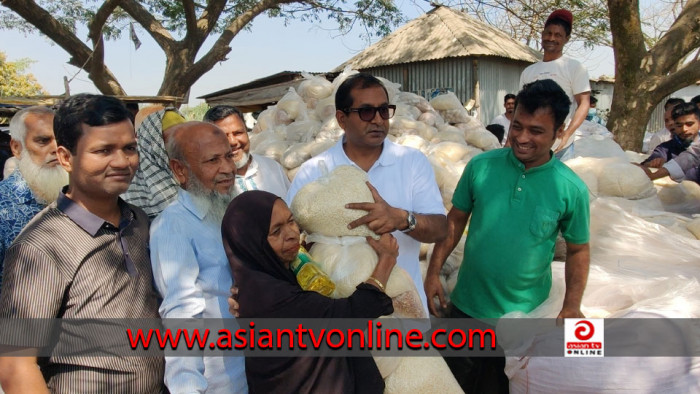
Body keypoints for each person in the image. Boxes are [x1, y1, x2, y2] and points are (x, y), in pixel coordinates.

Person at [425, 79, 590, 393]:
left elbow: (579, 250)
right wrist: (433, 272)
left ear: (559, 130)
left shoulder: (571, 189)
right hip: (466, 311)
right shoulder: (481, 167)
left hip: (525, 322)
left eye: (536, 131)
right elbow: (455, 221)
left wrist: (571, 305)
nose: (522, 138)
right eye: (518, 126)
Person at [0, 94, 164, 392]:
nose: (121, 162)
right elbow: (16, 363)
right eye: (103, 150)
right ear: (65, 158)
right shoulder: (41, 247)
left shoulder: (137, 221)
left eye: (129, 148)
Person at [286, 73, 447, 316]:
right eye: (366, 112)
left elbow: (440, 228)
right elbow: (289, 239)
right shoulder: (315, 171)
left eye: (384, 110)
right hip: (341, 317)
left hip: (403, 311)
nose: (378, 120)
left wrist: (402, 219)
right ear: (341, 118)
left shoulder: (412, 162)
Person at [222, 190, 395, 394]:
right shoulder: (270, 297)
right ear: (253, 243)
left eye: (291, 221)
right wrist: (386, 259)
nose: (292, 233)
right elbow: (351, 314)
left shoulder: (264, 277)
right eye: (276, 231)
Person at [150, 121, 246, 393]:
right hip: (221, 382)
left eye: (228, 156)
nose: (228, 168)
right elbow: (180, 317)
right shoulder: (173, 227)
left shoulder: (232, 209)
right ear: (180, 170)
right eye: (213, 160)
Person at [0, 106, 68, 274]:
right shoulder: (4, 207)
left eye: (61, 140)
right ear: (16, 148)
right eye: (43, 141)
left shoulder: (82, 198)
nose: (56, 149)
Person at [519, 9, 591, 161]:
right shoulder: (529, 71)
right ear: (542, 34)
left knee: (558, 184)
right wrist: (509, 141)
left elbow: (584, 103)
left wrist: (567, 134)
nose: (551, 38)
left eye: (558, 35)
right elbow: (521, 108)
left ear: (567, 39)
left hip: (560, 148)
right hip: (533, 146)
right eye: (548, 33)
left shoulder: (574, 67)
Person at [204, 105, 290, 197]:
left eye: (238, 133)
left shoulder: (272, 167)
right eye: (223, 136)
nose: (233, 142)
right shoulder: (209, 183)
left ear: (247, 132)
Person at [122, 106, 186, 220]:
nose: (182, 146)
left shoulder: (200, 176)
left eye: (186, 138)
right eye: (172, 140)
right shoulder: (129, 192)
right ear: (148, 140)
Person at [638, 103, 700, 183]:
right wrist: (654, 164)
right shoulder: (665, 149)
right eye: (679, 125)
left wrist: (654, 175)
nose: (684, 129)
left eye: (689, 124)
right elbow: (646, 164)